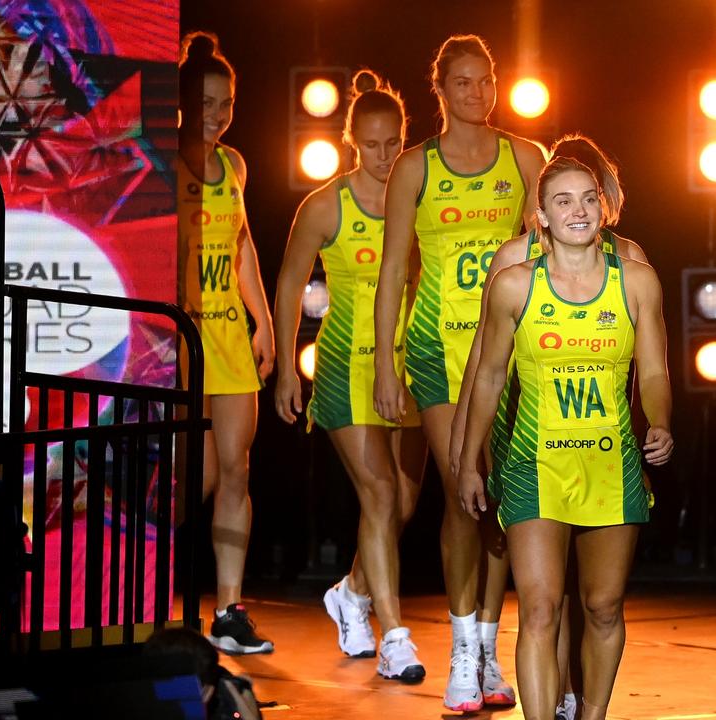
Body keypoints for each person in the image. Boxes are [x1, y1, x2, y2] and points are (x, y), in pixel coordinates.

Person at [457, 157, 674, 720]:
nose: (577, 210)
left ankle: (593, 713)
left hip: (612, 462)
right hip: (535, 462)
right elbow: (488, 376)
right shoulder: (513, 286)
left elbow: (653, 373)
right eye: (562, 201)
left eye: (587, 199)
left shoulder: (638, 280)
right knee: (540, 609)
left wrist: (661, 422)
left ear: (602, 207)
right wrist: (468, 461)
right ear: (542, 217)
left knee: (602, 606)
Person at [373, 33, 546, 712]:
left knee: (501, 497)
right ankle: (460, 648)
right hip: (436, 351)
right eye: (464, 83)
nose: (479, 93)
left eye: (487, 80)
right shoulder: (416, 167)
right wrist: (387, 364)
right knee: (460, 489)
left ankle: (491, 648)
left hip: (507, 353)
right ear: (439, 90)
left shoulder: (524, 157)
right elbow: (392, 269)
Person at [273, 69, 428, 682]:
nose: (385, 156)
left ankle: (351, 592)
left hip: (410, 363)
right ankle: (394, 636)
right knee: (380, 494)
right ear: (351, 141)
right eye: (372, 144)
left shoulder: (420, 196)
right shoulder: (325, 205)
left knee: (404, 503)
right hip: (344, 365)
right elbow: (290, 283)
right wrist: (287, 366)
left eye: (394, 143)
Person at [176, 31, 275, 655]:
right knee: (191, 480)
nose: (218, 114)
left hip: (229, 334)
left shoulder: (235, 165)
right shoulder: (161, 157)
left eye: (227, 102)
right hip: (177, 338)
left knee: (237, 469)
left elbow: (242, 245)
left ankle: (229, 611)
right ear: (184, 99)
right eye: (207, 102)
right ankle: (147, 594)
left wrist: (262, 318)